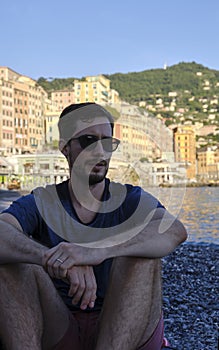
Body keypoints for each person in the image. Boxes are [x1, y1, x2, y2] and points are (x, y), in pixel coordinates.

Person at [0, 102, 187, 350]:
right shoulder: (42, 201)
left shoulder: (129, 198)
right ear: (65, 147)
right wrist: (56, 259)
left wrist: (98, 251)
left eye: (107, 143)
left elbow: (175, 230)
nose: (100, 151)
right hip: (59, 326)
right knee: (10, 265)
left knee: (141, 258)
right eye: (88, 140)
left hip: (123, 332)